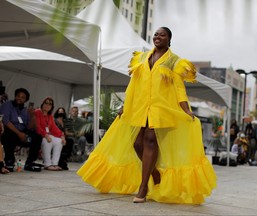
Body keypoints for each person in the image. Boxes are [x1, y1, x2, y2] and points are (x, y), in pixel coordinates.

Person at [77, 27, 216, 204]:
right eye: (156, 34)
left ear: (169, 39)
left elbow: (180, 88)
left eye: (162, 35)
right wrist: (125, 105)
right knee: (137, 143)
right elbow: (133, 84)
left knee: (150, 139)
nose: (158, 37)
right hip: (140, 106)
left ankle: (143, 187)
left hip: (162, 108)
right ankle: (155, 172)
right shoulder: (142, 58)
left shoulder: (175, 61)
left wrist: (186, 109)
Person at [0, 88, 42, 172]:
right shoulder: (7, 105)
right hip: (9, 134)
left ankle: (29, 163)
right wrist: (19, 133)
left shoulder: (25, 110)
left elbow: (30, 127)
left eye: (23, 97)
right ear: (15, 96)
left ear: (25, 100)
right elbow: (5, 121)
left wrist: (33, 116)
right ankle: (9, 161)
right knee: (10, 134)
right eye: (18, 96)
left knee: (37, 137)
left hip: (22, 137)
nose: (20, 98)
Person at [34, 97, 65, 171]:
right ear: (43, 104)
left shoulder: (50, 116)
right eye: (46, 103)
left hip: (47, 136)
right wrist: (45, 135)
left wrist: (62, 135)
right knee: (47, 140)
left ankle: (54, 164)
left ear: (52, 107)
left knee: (59, 141)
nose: (47, 105)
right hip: (39, 135)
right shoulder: (37, 112)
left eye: (50, 104)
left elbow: (54, 128)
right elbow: (37, 126)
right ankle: (47, 164)